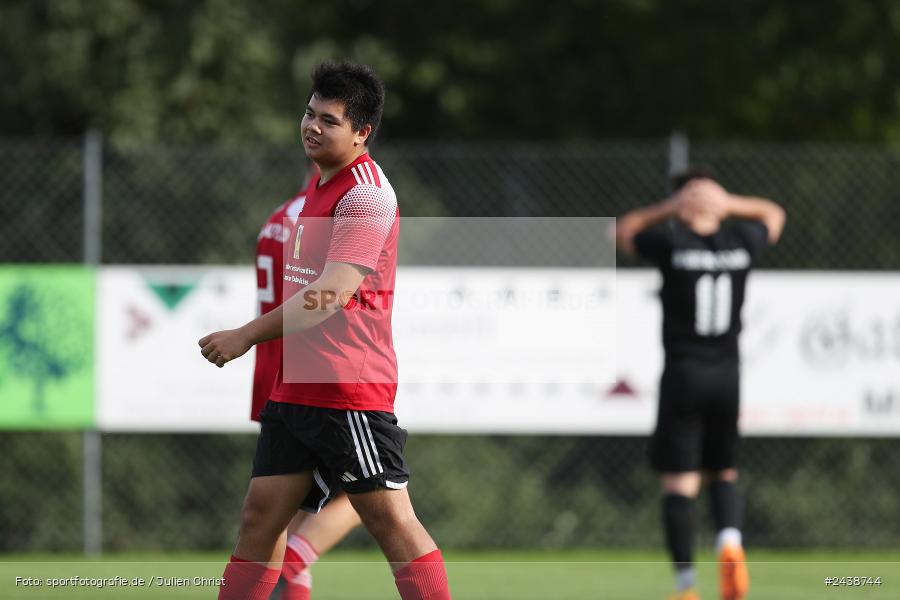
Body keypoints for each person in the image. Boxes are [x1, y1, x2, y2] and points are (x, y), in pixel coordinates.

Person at [200, 62, 451, 600]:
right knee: (259, 518)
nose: (312, 126)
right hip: (296, 387)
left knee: (391, 522)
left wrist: (246, 334)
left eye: (329, 120)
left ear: (362, 132)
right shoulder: (318, 187)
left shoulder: (366, 195)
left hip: (346, 389)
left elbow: (329, 295)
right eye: (309, 113)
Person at [615, 167, 786, 600]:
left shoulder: (672, 244)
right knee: (723, 471)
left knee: (680, 483)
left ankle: (686, 585)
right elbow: (774, 214)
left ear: (683, 206)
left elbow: (624, 231)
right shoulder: (741, 241)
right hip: (727, 376)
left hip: (683, 375)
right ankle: (729, 540)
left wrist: (669, 208)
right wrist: (729, 203)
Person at [252, 172, 362, 600]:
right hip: (314, 375)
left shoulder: (276, 217)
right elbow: (325, 297)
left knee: (289, 513)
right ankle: (291, 563)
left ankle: (289, 569)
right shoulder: (326, 215)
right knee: (370, 490)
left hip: (273, 371)